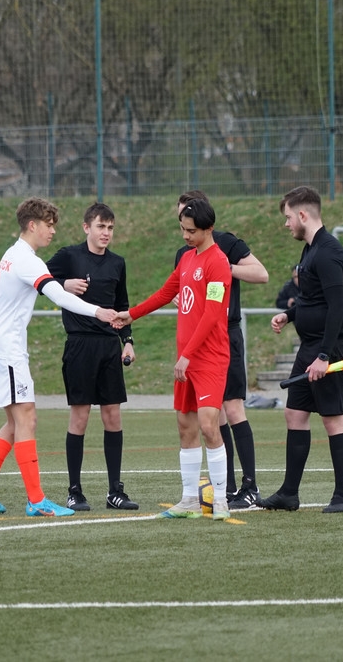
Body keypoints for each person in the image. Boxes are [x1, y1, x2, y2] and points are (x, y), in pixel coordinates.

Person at [0, 197, 118, 518]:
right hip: (6, 349)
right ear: (32, 225)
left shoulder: (14, 254)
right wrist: (98, 311)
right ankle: (36, 500)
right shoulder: (27, 259)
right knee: (27, 419)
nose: (52, 231)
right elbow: (59, 295)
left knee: (15, 423)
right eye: (48, 225)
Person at [115, 198, 232, 520]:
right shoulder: (187, 259)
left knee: (209, 425)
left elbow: (212, 315)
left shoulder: (219, 263)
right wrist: (131, 315)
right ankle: (189, 500)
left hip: (208, 359)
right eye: (182, 229)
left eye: (191, 231)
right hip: (187, 359)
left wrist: (187, 356)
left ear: (208, 228)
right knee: (185, 426)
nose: (185, 236)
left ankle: (221, 500)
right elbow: (166, 293)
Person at [262, 186, 343, 514]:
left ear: (303, 214)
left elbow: (337, 307)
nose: (286, 224)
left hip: (330, 347)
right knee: (294, 413)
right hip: (310, 346)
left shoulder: (328, 252)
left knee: (332, 418)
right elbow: (312, 300)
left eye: (288, 217)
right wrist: (289, 315)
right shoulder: (309, 250)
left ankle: (341, 497)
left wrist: (325, 356)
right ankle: (289, 494)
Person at [174, 190, 269, 510]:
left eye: (189, 221)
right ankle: (224, 488)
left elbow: (261, 274)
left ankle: (250, 486)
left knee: (233, 408)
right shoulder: (185, 253)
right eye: (181, 221)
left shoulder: (225, 244)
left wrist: (227, 269)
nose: (184, 229)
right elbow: (182, 293)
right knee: (211, 418)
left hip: (224, 334)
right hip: (195, 342)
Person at [46, 202, 138, 512]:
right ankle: (75, 491)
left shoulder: (117, 263)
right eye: (100, 226)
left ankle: (115, 492)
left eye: (110, 227)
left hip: (109, 347)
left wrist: (127, 341)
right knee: (80, 417)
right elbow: (36, 280)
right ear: (87, 227)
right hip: (80, 346)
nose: (106, 233)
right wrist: (63, 284)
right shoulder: (68, 256)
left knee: (113, 417)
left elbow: (122, 304)